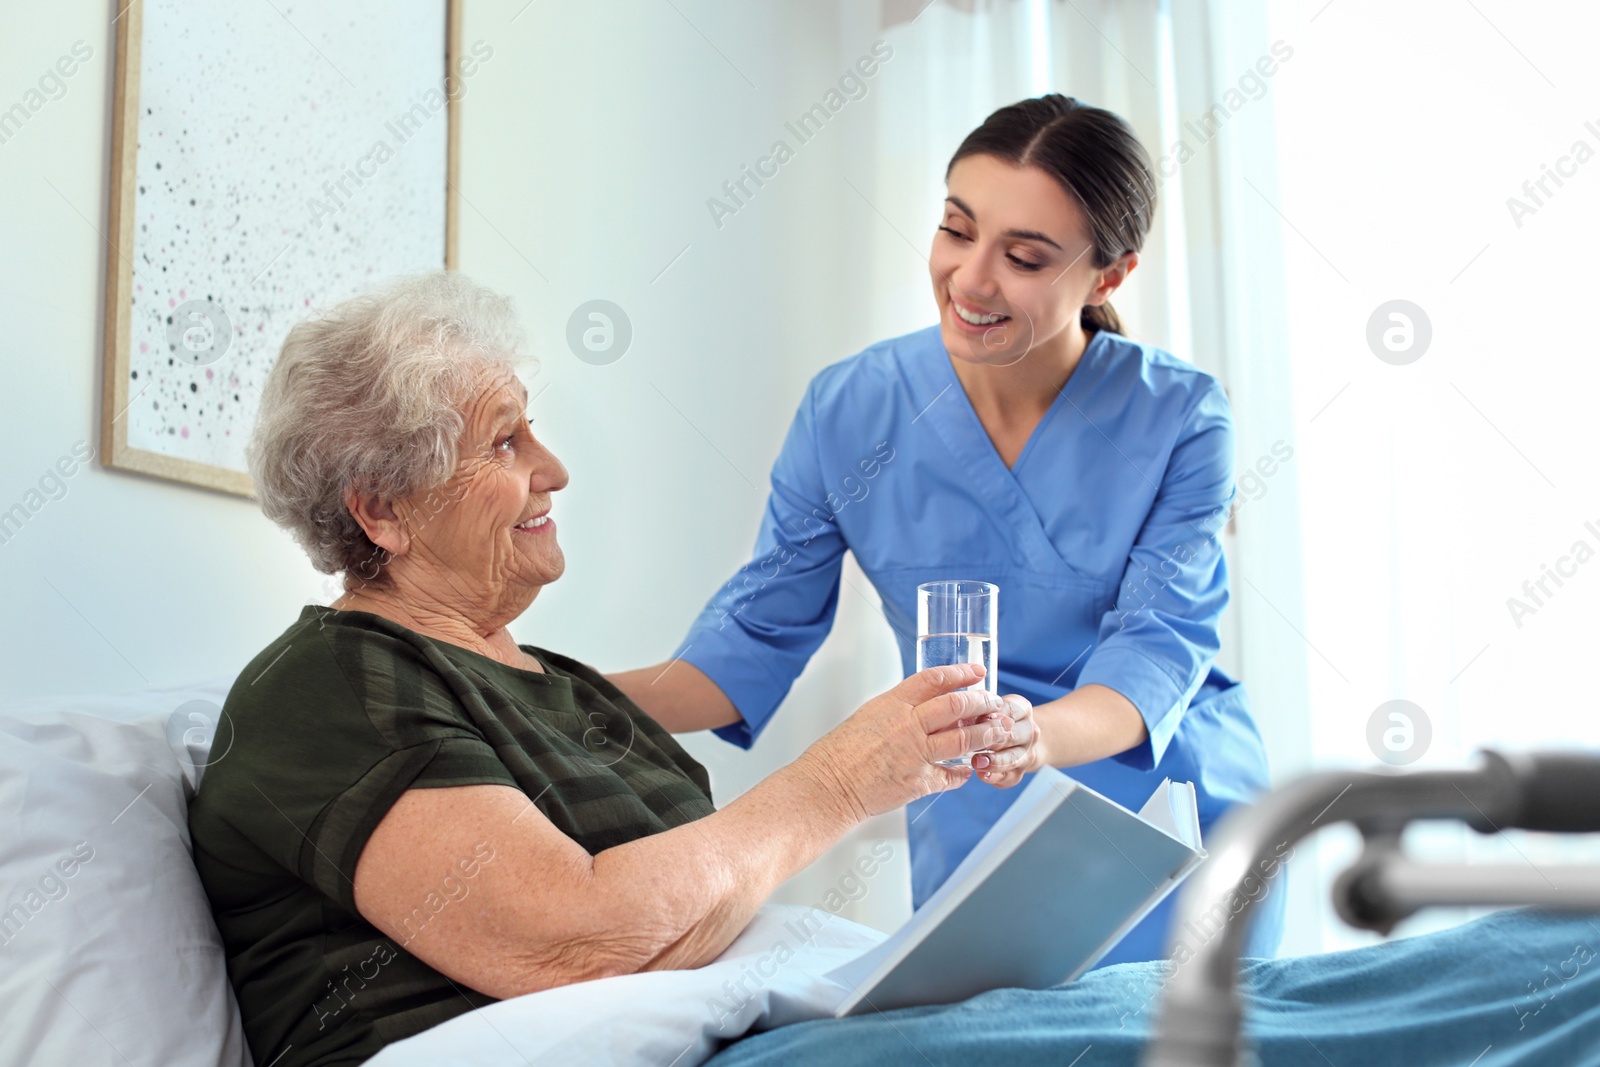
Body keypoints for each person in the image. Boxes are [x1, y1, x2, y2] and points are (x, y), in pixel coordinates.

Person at [186, 271, 1017, 1067]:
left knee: (1104, 1003)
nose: (553, 470)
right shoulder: (329, 683)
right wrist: (839, 783)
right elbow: (573, 940)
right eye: (505, 441)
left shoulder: (567, 687)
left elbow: (686, 925)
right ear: (383, 509)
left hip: (736, 1029)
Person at [609, 94, 1283, 963]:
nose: (970, 279)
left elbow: (1155, 648)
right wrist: (525, 687)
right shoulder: (850, 409)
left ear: (1108, 276)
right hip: (983, 827)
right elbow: (745, 647)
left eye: (1025, 256)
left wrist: (1029, 735)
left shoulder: (1181, 417)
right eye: (957, 230)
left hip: (1173, 821)